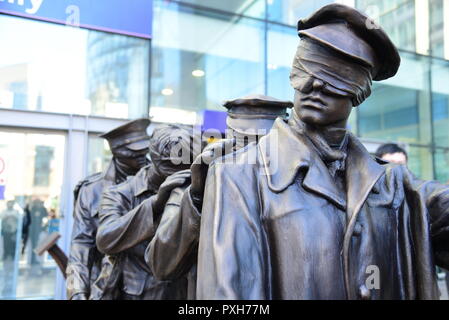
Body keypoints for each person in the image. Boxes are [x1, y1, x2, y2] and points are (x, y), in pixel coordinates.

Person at [195, 4, 449, 300]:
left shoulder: (391, 185)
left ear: (360, 92)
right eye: (306, 69)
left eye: (335, 79)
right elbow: (230, 294)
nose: (314, 86)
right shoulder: (239, 174)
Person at [145, 95, 292, 299]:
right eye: (246, 144)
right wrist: (197, 197)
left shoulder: (300, 181)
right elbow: (160, 263)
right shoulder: (198, 184)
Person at [95, 124, 199, 300]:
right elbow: (105, 239)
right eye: (168, 172)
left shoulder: (193, 189)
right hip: (138, 295)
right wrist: (155, 204)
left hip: (182, 292)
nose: (176, 178)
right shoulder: (120, 194)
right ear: (154, 159)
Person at [66, 118, 151, 300]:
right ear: (117, 151)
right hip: (104, 287)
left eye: (144, 149)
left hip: (151, 289)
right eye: (135, 151)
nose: (143, 154)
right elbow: (81, 245)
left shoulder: (159, 183)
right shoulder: (91, 190)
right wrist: (76, 291)